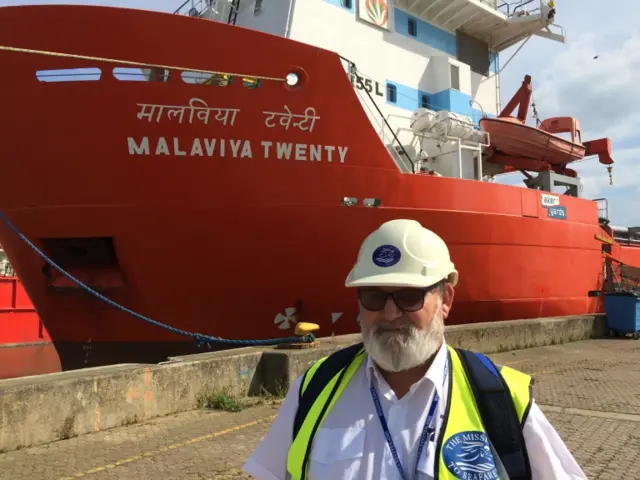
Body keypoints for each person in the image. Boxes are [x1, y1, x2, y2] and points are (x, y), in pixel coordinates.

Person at [243, 219, 586, 480]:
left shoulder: (502, 399)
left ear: (446, 300)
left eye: (410, 296)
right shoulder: (313, 389)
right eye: (375, 296)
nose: (390, 313)